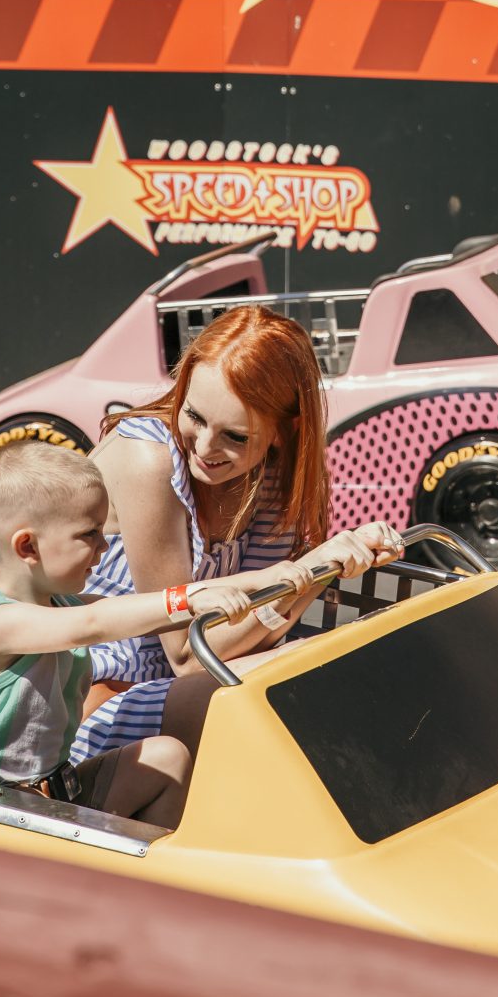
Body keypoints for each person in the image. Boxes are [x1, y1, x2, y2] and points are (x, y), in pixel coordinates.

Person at [69, 303, 401, 765]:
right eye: (195, 416)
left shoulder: (274, 477)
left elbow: (252, 631)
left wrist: (317, 572)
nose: (204, 448)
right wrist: (309, 571)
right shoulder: (149, 458)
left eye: (236, 436)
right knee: (306, 689)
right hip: (93, 704)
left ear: (285, 432)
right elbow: (188, 653)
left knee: (341, 668)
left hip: (193, 690)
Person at [0, 437, 252, 825]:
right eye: (90, 534)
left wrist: (264, 580)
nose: (105, 545)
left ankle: (145, 876)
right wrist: (186, 602)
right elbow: (94, 624)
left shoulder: (61, 606)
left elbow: (133, 610)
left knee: (168, 756)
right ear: (27, 546)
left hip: (51, 792)